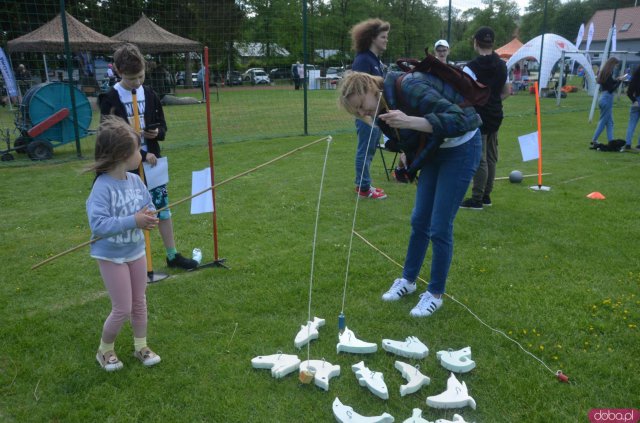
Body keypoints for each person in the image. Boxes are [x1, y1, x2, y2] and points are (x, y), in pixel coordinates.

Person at [338, 69, 482, 317]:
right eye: (357, 112)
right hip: (435, 151)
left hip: (462, 148)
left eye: (362, 105)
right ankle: (408, 280)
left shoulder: (410, 85)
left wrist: (409, 121)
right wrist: (407, 152)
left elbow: (459, 121)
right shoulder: (381, 109)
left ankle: (435, 294)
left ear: (372, 89)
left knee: (439, 226)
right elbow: (409, 139)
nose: (363, 113)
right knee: (419, 220)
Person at [98, 43, 198, 271]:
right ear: (119, 72)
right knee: (133, 213)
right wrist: (140, 153)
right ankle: (133, 260)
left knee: (162, 208)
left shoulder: (150, 93)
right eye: (132, 78)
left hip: (154, 163)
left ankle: (172, 255)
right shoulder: (110, 99)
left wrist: (156, 133)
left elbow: (162, 127)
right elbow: (109, 136)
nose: (137, 82)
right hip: (126, 165)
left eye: (141, 76)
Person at [86, 115, 162, 371]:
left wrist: (151, 217)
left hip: (135, 251)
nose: (141, 154)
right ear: (121, 155)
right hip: (111, 255)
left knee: (139, 301)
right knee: (122, 307)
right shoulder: (102, 187)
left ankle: (141, 346)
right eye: (136, 150)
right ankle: (104, 350)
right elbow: (99, 225)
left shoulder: (136, 181)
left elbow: (147, 207)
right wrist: (134, 220)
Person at [460, 26, 509, 210]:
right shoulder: (503, 65)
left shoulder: (470, 68)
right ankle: (487, 195)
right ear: (492, 43)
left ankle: (477, 198)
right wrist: (493, 101)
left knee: (480, 158)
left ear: (476, 43)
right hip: (496, 114)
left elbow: (466, 94)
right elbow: (506, 92)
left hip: (479, 115)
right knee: (491, 156)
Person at [350, 18, 390, 200]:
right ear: (373, 38)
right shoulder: (363, 60)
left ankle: (364, 183)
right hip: (366, 115)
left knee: (369, 150)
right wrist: (363, 112)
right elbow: (357, 90)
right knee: (365, 150)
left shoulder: (374, 60)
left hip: (375, 114)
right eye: (383, 37)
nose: (386, 40)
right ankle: (363, 188)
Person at [591, 57, 626, 148]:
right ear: (612, 64)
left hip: (603, 97)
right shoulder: (608, 73)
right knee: (603, 121)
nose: (615, 67)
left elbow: (610, 83)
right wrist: (620, 82)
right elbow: (611, 89)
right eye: (615, 65)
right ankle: (594, 139)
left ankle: (611, 141)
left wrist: (617, 79)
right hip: (607, 99)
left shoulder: (604, 72)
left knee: (610, 122)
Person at [624, 66, 640, 150]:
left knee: (631, 124)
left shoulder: (635, 77)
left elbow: (629, 92)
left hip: (636, 100)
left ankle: (628, 143)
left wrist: (634, 100)